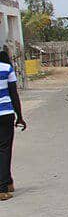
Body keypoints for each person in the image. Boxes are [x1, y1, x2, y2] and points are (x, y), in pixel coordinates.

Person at [0, 48, 26, 201]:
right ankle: (3, 188)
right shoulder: (6, 68)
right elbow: (14, 94)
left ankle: (7, 182)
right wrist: (20, 117)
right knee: (4, 150)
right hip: (5, 114)